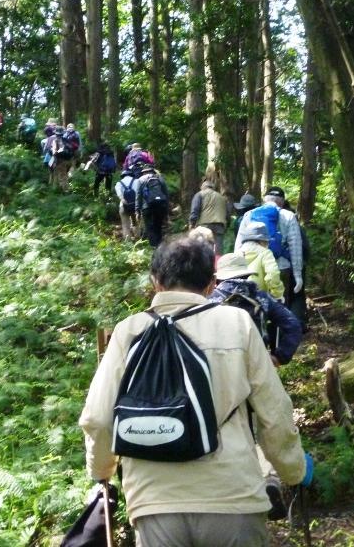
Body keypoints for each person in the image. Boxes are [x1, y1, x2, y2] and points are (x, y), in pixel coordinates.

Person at [79, 238, 306, 546]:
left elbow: (98, 418)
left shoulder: (127, 331)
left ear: (156, 282)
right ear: (212, 284)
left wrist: (102, 470)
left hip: (154, 501)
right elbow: (273, 409)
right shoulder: (236, 324)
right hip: (232, 495)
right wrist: (292, 471)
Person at [209, 252, 305, 520]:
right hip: (260, 367)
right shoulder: (260, 296)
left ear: (219, 278)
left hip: (226, 371)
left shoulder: (212, 301)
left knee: (234, 424)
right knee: (266, 421)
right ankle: (270, 480)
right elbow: (292, 325)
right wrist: (279, 356)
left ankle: (239, 483)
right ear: (245, 273)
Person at [235, 190, 304, 316]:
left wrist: (236, 271)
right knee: (279, 308)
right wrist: (297, 274)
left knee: (253, 306)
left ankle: (257, 332)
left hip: (251, 270)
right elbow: (295, 247)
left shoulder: (249, 214)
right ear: (282, 202)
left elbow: (239, 244)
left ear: (264, 200)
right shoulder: (288, 216)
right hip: (281, 268)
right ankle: (277, 333)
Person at [237, 221, 284, 300]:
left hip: (238, 298)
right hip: (258, 298)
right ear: (263, 240)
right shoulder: (265, 253)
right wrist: (277, 295)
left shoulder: (238, 253)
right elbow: (273, 274)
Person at [189, 179, 231, 255]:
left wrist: (192, 224)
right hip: (219, 226)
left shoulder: (199, 194)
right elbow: (228, 214)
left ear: (202, 187)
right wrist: (227, 225)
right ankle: (217, 264)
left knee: (204, 248)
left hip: (204, 226)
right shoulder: (222, 198)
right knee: (218, 250)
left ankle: (206, 265)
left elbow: (195, 210)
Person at [137, 165, 169, 247]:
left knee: (150, 228)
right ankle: (160, 247)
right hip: (160, 206)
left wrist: (137, 210)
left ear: (143, 172)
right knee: (158, 227)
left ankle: (153, 247)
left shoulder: (140, 180)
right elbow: (166, 194)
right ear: (152, 171)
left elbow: (138, 196)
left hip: (147, 207)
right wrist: (166, 209)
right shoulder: (159, 178)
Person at [114, 169, 139, 240]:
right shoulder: (137, 181)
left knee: (125, 225)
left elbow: (119, 195)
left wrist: (123, 200)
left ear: (123, 176)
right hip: (136, 206)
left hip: (124, 206)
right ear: (131, 174)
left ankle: (128, 243)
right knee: (136, 222)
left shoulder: (119, 183)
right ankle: (138, 238)